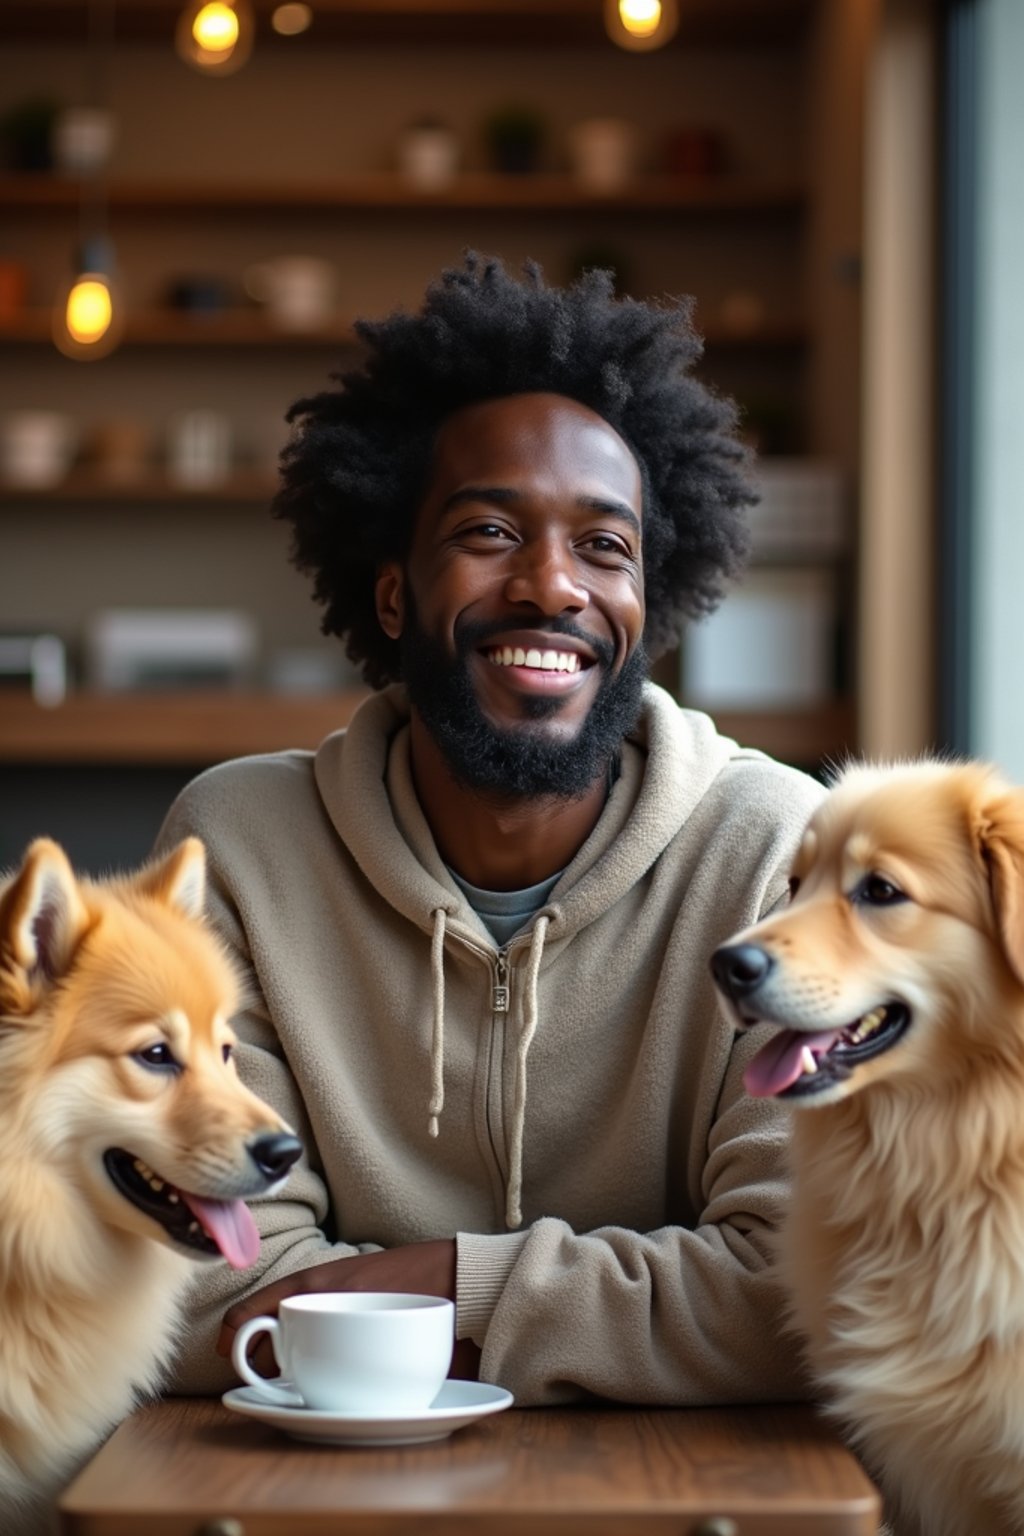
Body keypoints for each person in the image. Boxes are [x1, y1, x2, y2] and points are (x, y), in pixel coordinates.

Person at [155, 251, 825, 1405]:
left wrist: (452, 1285)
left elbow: (804, 1293)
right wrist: (649, 1317)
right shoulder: (239, 849)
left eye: (604, 547)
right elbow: (197, 1292)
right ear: (390, 592)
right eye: (488, 532)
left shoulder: (777, 854)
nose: (551, 588)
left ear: (646, 608)